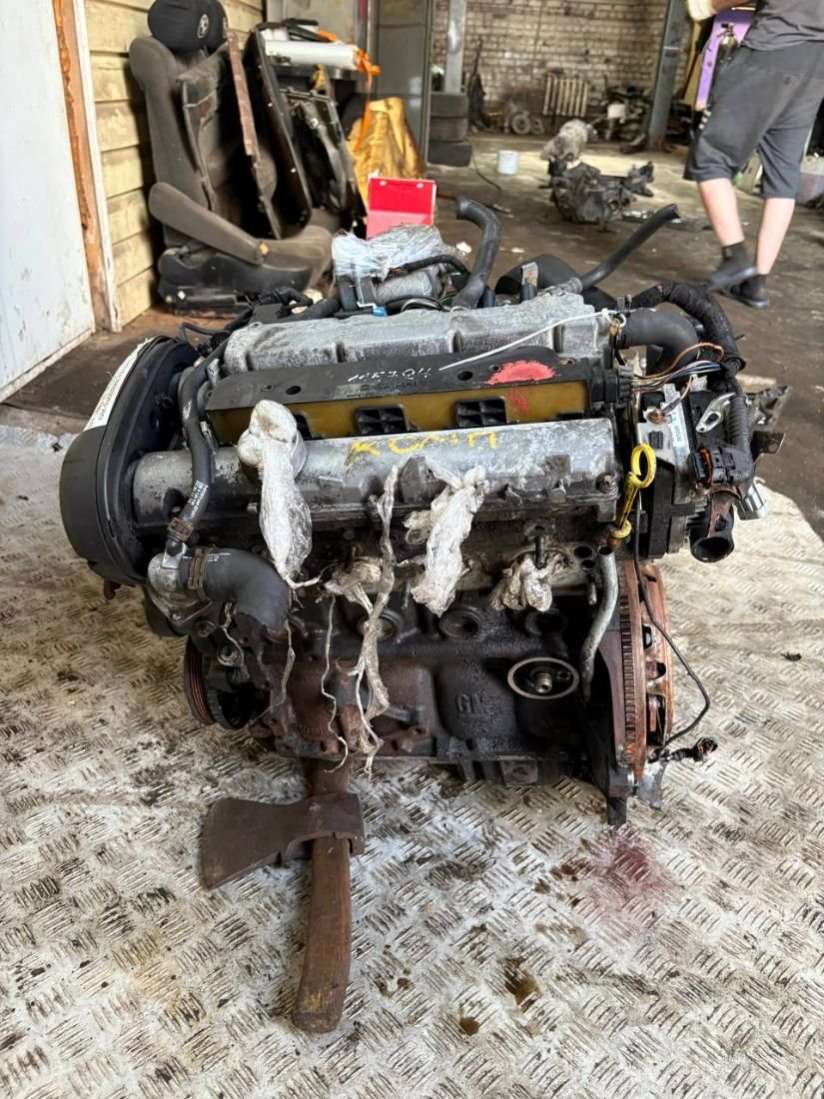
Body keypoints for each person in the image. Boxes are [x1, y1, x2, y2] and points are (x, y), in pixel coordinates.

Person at [685, 0, 824, 308]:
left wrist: (708, 6)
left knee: (710, 158)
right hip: (817, 64)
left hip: (773, 48)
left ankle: (735, 257)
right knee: (783, 172)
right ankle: (756, 283)